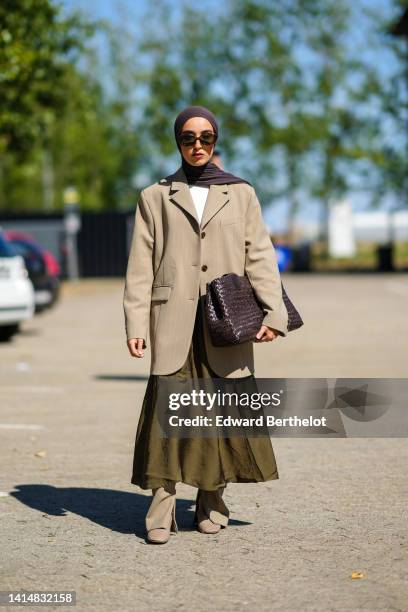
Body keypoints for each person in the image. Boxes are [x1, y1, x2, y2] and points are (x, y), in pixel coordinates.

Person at [123, 105, 288, 544]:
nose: (198, 146)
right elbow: (140, 267)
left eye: (206, 138)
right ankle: (161, 507)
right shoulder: (155, 196)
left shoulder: (241, 193)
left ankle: (212, 499)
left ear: (216, 141)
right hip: (172, 320)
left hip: (228, 321)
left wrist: (274, 313)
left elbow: (260, 255)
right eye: (188, 138)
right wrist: (135, 322)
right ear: (177, 141)